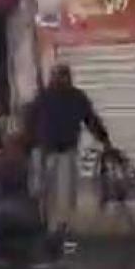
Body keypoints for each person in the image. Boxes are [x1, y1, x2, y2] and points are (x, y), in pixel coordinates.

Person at [29, 63, 111, 252]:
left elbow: (91, 120)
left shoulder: (76, 98)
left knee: (65, 195)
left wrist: (104, 140)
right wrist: (29, 147)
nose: (60, 80)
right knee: (43, 193)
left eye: (63, 76)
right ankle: (47, 231)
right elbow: (29, 122)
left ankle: (60, 233)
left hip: (65, 151)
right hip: (45, 152)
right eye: (57, 76)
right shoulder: (43, 98)